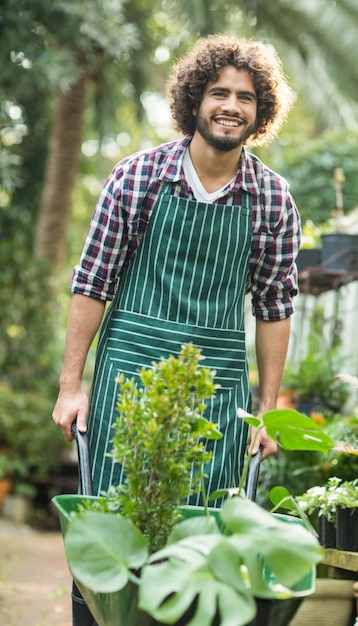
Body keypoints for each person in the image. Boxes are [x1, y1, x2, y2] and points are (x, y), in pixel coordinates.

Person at [53, 33, 301, 505]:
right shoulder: (138, 177)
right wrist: (70, 387)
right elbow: (92, 283)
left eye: (245, 97)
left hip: (218, 393)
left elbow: (274, 307)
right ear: (195, 102)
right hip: (127, 379)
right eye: (219, 93)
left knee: (201, 536)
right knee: (113, 521)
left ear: (260, 112)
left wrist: (267, 411)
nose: (231, 106)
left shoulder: (273, 200)